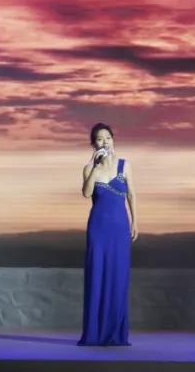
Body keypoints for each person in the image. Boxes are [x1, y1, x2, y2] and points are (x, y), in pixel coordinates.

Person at [77, 122, 138, 345]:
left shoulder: (124, 165)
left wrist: (135, 221)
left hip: (120, 228)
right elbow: (86, 194)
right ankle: (94, 333)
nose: (105, 142)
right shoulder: (88, 169)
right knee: (96, 276)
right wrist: (95, 168)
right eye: (100, 139)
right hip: (98, 230)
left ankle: (115, 332)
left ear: (113, 140)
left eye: (108, 138)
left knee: (118, 277)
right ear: (94, 145)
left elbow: (131, 195)